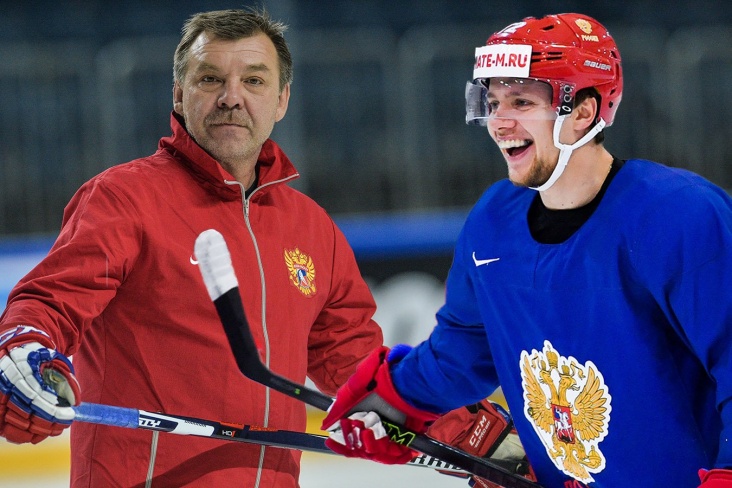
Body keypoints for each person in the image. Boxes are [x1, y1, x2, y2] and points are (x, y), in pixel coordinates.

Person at [320, 13, 732, 488]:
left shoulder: (680, 214)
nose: (498, 122)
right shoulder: (493, 222)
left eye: (520, 101)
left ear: (583, 111)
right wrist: (390, 402)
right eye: (492, 101)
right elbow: (462, 352)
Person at [0, 8, 384, 487]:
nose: (231, 98)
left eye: (255, 81)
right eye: (210, 79)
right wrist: (22, 347)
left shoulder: (311, 227)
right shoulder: (124, 199)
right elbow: (48, 303)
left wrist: (471, 433)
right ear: (180, 94)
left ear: (282, 99)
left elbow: (361, 367)